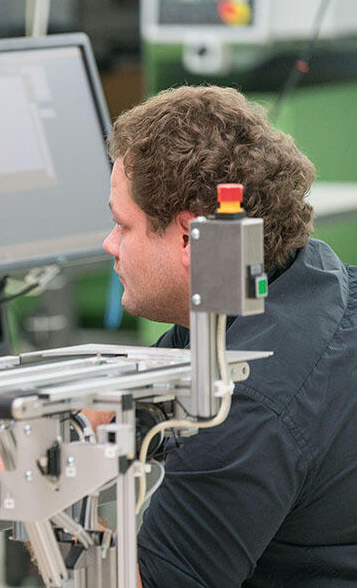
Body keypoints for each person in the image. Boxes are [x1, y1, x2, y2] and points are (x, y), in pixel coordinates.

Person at [98, 85, 357, 586]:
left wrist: (38, 503)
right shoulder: (307, 278)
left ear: (189, 238)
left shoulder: (246, 404)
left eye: (122, 226)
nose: (109, 244)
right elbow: (157, 381)